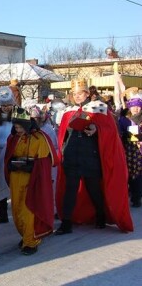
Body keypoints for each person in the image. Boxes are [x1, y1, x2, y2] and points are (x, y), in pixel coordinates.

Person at [55, 79, 133, 235]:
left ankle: (100, 214)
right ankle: (66, 222)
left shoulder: (99, 108)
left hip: (90, 157)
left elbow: (111, 132)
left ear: (87, 94)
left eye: (80, 93)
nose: (77, 97)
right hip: (71, 158)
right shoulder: (67, 111)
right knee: (70, 190)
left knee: (94, 189)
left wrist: (96, 128)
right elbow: (63, 135)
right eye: (74, 94)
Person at [4, 108, 58, 255]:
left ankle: (30, 241)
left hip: (32, 179)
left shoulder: (40, 138)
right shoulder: (13, 138)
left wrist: (32, 166)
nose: (18, 130)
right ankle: (25, 235)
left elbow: (46, 162)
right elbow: (8, 156)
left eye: (20, 127)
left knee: (29, 209)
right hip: (16, 178)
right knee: (16, 209)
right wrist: (9, 164)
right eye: (16, 127)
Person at [0, 86, 17, 224]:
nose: (6, 108)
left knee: (14, 183)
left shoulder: (18, 114)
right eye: (3, 105)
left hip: (12, 152)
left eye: (8, 105)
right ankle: (2, 212)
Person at [117, 90, 142, 208]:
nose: (136, 109)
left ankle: (137, 196)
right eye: (133, 107)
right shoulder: (124, 120)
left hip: (139, 150)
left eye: (138, 106)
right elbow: (120, 133)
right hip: (128, 150)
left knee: (138, 175)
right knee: (130, 174)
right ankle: (131, 194)